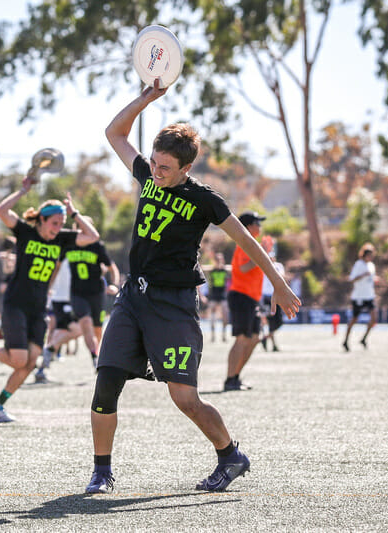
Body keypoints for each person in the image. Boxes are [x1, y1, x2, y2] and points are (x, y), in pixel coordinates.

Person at [85, 80, 300, 494]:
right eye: (154, 162)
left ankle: (230, 454)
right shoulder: (148, 174)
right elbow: (114, 133)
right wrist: (147, 99)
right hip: (133, 298)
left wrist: (279, 284)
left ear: (186, 168)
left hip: (174, 304)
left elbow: (246, 240)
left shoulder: (205, 199)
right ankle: (102, 470)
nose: (156, 171)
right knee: (105, 382)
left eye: (166, 167)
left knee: (184, 398)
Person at [0, 179, 99, 422]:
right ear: (41, 220)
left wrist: (74, 213)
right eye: (54, 223)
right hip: (16, 304)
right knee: (19, 359)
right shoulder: (25, 232)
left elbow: (93, 236)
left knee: (29, 363)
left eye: (61, 223)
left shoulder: (62, 238)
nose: (58, 228)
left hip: (38, 309)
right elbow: (2, 211)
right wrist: (24, 190)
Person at [66, 215, 120, 365]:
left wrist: (114, 284)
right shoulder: (69, 245)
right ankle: (94, 356)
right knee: (85, 320)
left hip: (96, 292)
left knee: (97, 328)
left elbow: (112, 267)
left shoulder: (97, 246)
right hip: (77, 292)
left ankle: (98, 354)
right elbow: (56, 266)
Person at [224, 212, 267, 391]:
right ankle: (230, 380)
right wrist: (261, 255)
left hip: (251, 298)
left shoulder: (252, 244)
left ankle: (235, 376)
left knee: (254, 338)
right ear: (249, 226)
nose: (260, 226)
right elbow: (243, 267)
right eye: (258, 223)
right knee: (242, 339)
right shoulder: (245, 243)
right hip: (241, 296)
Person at [33, 258, 81, 383]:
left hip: (70, 299)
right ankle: (48, 350)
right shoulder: (61, 253)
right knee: (78, 330)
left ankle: (41, 370)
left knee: (59, 333)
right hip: (61, 299)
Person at [342, 243, 378, 351]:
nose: (371, 257)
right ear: (365, 255)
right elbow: (352, 279)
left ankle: (364, 338)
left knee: (374, 318)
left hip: (369, 296)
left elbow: (370, 278)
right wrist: (362, 276)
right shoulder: (358, 264)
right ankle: (345, 341)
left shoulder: (371, 265)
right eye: (370, 255)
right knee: (354, 319)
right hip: (359, 297)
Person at [259, 239, 285, 352]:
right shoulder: (263, 267)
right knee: (270, 321)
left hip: (276, 297)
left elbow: (281, 277)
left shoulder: (278, 266)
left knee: (278, 322)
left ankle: (265, 338)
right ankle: (273, 344)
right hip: (266, 297)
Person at [202, 250, 231, 343]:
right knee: (212, 317)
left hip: (223, 295)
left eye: (220, 259)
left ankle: (224, 335)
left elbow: (235, 268)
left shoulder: (226, 270)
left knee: (225, 316)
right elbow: (201, 267)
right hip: (214, 295)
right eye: (217, 259)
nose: (219, 261)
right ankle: (213, 336)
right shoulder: (211, 271)